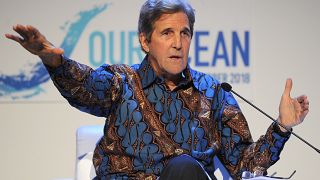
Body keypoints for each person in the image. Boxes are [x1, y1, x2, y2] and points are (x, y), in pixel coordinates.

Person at [5, 0, 309, 180]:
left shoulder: (214, 92)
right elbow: (83, 86)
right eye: (167, 33)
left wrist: (282, 127)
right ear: (145, 41)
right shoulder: (121, 82)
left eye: (184, 33)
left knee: (185, 168)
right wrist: (51, 58)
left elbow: (244, 165)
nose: (178, 43)